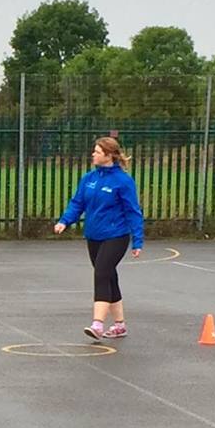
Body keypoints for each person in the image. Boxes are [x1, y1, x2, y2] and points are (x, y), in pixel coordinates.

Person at [55, 137, 144, 340]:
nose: (93, 154)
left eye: (97, 151)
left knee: (102, 273)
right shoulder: (89, 179)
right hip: (94, 235)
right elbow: (77, 203)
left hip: (116, 235)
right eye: (93, 151)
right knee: (109, 276)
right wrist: (64, 221)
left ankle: (97, 324)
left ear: (109, 155)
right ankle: (120, 325)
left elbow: (133, 211)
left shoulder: (123, 181)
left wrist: (137, 239)